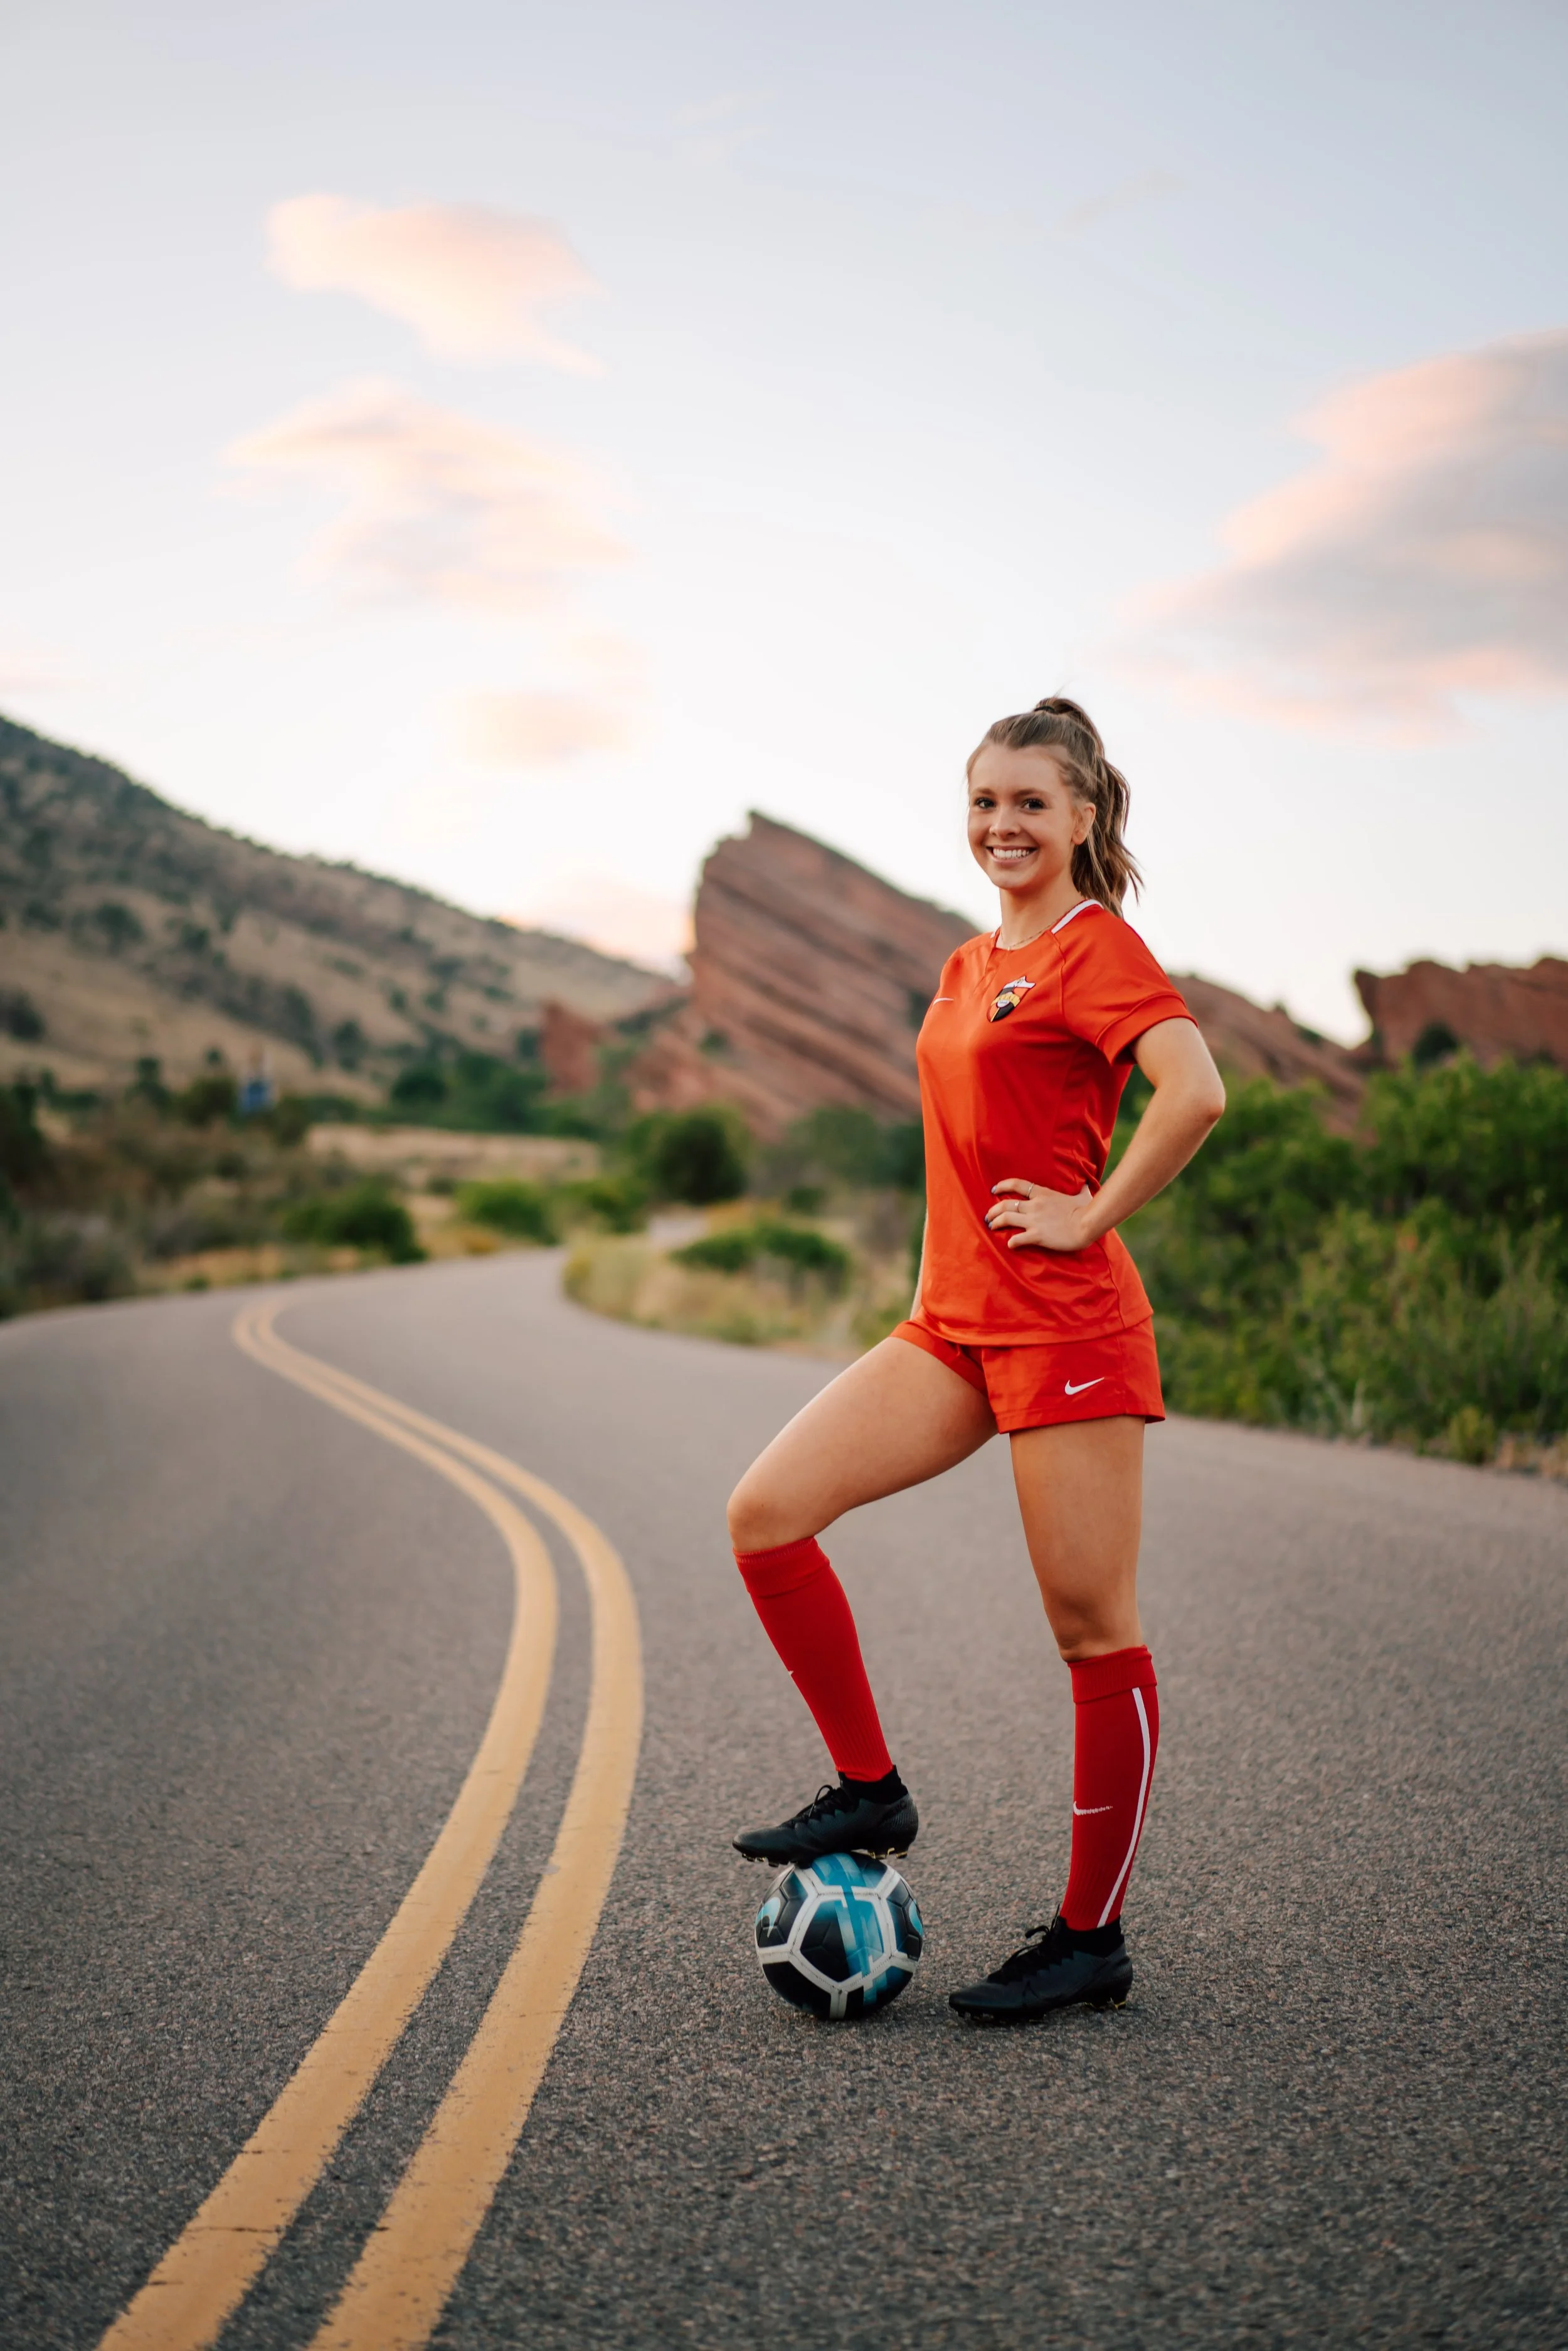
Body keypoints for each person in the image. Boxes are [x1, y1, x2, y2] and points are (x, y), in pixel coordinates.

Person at [727, 697, 1226, 2022]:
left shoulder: (1093, 948)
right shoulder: (961, 964)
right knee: (766, 1516)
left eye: (1029, 804)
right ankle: (867, 1785)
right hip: (948, 1321)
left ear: (1080, 818)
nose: (1001, 825)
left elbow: (1195, 1088)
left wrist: (1089, 1212)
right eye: (984, 802)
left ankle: (1087, 1936)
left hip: (1065, 1325)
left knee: (1088, 1625)